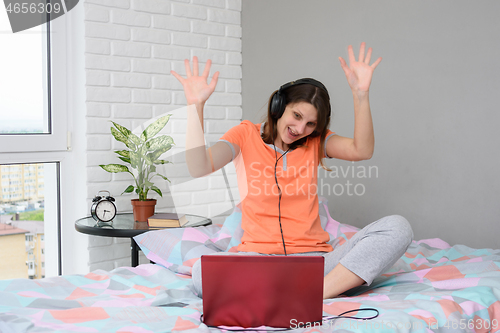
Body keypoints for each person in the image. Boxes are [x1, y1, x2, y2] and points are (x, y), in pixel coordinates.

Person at [171, 42, 413, 299]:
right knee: (201, 274)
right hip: (259, 260)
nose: (300, 129)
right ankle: (293, 292)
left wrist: (361, 95)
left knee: (398, 228)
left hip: (314, 263)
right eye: (296, 116)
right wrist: (195, 106)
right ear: (279, 106)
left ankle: (313, 295)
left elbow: (361, 150)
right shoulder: (244, 135)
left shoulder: (316, 142)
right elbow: (199, 167)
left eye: (310, 124)